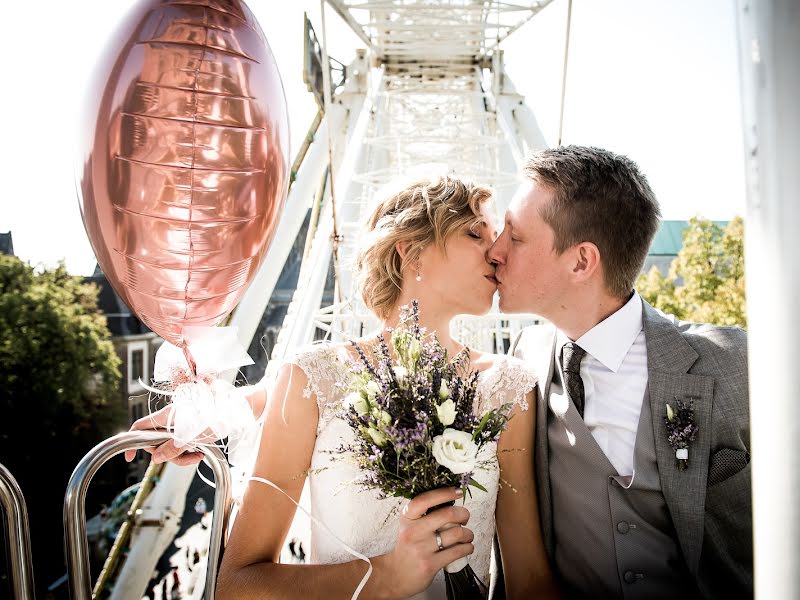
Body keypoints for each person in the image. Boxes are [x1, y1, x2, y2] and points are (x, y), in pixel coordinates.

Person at [128, 177, 561, 599]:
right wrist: (384, 577)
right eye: (474, 234)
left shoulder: (508, 387)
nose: (498, 253)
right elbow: (237, 586)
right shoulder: (312, 380)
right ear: (410, 252)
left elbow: (529, 581)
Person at [487, 145, 752, 599]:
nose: (494, 251)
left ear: (581, 261)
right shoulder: (522, 359)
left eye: (515, 236)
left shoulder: (733, 362)